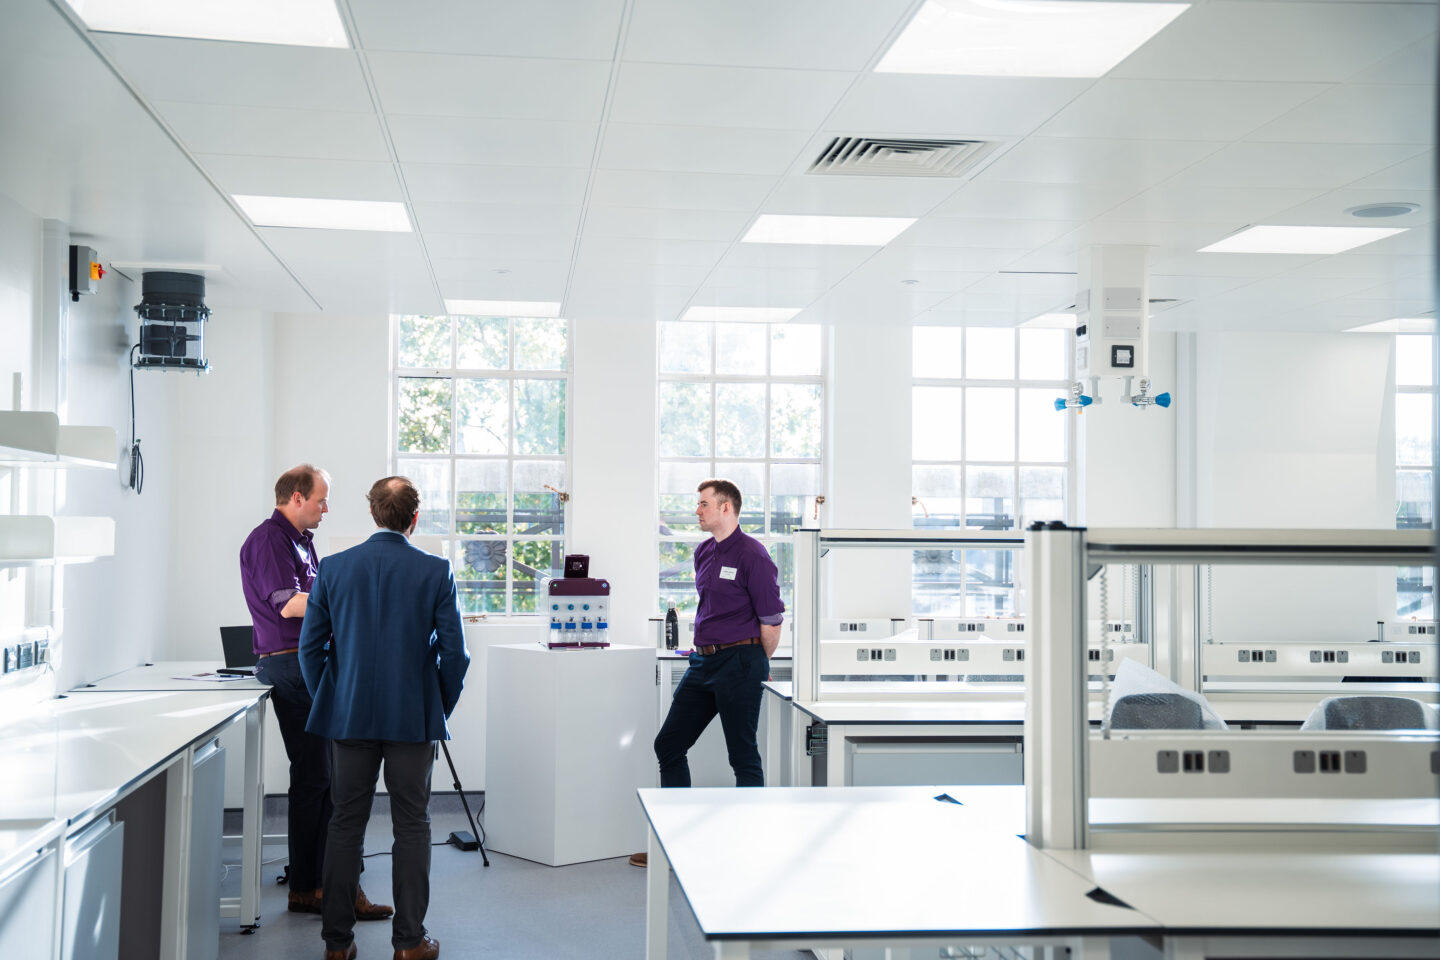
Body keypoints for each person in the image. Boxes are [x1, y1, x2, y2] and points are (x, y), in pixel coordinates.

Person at [299, 476, 470, 960]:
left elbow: (311, 650)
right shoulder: (435, 571)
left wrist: (330, 702)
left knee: (344, 824)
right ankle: (410, 942)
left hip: (348, 717)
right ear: (414, 518)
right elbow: (456, 657)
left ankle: (337, 945)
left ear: (373, 514)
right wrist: (433, 707)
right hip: (410, 721)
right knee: (412, 824)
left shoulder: (333, 568)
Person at [240, 464, 392, 921]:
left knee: (317, 778)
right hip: (291, 664)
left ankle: (312, 884)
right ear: (297, 497)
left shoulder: (300, 543)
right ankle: (327, 887)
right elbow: (288, 603)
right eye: (322, 499)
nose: (327, 508)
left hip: (304, 662)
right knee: (328, 777)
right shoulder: (269, 540)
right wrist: (353, 596)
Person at [632, 479, 784, 868]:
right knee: (668, 745)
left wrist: (751, 662)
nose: (697, 511)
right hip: (702, 662)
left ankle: (751, 850)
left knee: (743, 757)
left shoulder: (754, 555)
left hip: (741, 663)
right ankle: (675, 844)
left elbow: (771, 621)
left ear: (726, 508)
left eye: (703, 504)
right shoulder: (704, 552)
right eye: (698, 504)